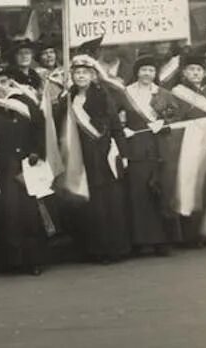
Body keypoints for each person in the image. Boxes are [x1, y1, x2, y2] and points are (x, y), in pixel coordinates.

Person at [55, 54, 131, 264]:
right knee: (85, 204)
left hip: (102, 155)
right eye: (77, 73)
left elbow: (115, 125)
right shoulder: (67, 98)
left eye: (84, 73)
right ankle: (91, 248)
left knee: (105, 202)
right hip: (78, 158)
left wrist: (123, 153)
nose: (80, 76)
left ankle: (111, 249)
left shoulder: (102, 95)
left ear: (92, 75)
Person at [0, 67, 48, 275]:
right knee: (7, 213)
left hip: (27, 165)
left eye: (3, 81)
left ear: (10, 82)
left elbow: (39, 128)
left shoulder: (24, 103)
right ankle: (11, 262)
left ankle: (34, 260)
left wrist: (36, 151)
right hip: (1, 168)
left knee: (29, 213)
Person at [165, 47, 206, 246]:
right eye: (191, 69)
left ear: (204, 73)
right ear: (183, 72)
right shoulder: (176, 93)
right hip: (187, 148)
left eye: (199, 70)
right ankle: (189, 235)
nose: (195, 73)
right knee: (188, 187)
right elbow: (173, 121)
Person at [120, 56, 183, 256]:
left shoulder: (163, 94)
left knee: (161, 194)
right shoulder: (125, 93)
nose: (147, 74)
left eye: (151, 70)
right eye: (143, 70)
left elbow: (176, 116)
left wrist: (163, 123)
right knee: (138, 195)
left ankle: (163, 241)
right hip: (136, 148)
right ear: (137, 72)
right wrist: (124, 129)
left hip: (159, 148)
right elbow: (117, 116)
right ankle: (141, 240)